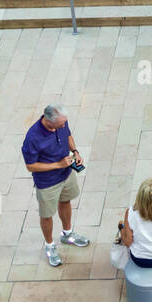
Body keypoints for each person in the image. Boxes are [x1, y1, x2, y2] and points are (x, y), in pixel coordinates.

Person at [21, 104, 90, 267]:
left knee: (66, 201)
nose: (63, 125)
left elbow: (68, 136)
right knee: (47, 215)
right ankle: (50, 245)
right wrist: (58, 165)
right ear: (49, 122)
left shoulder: (62, 123)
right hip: (47, 183)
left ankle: (67, 234)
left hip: (66, 174)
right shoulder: (33, 138)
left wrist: (76, 152)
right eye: (60, 124)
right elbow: (30, 166)